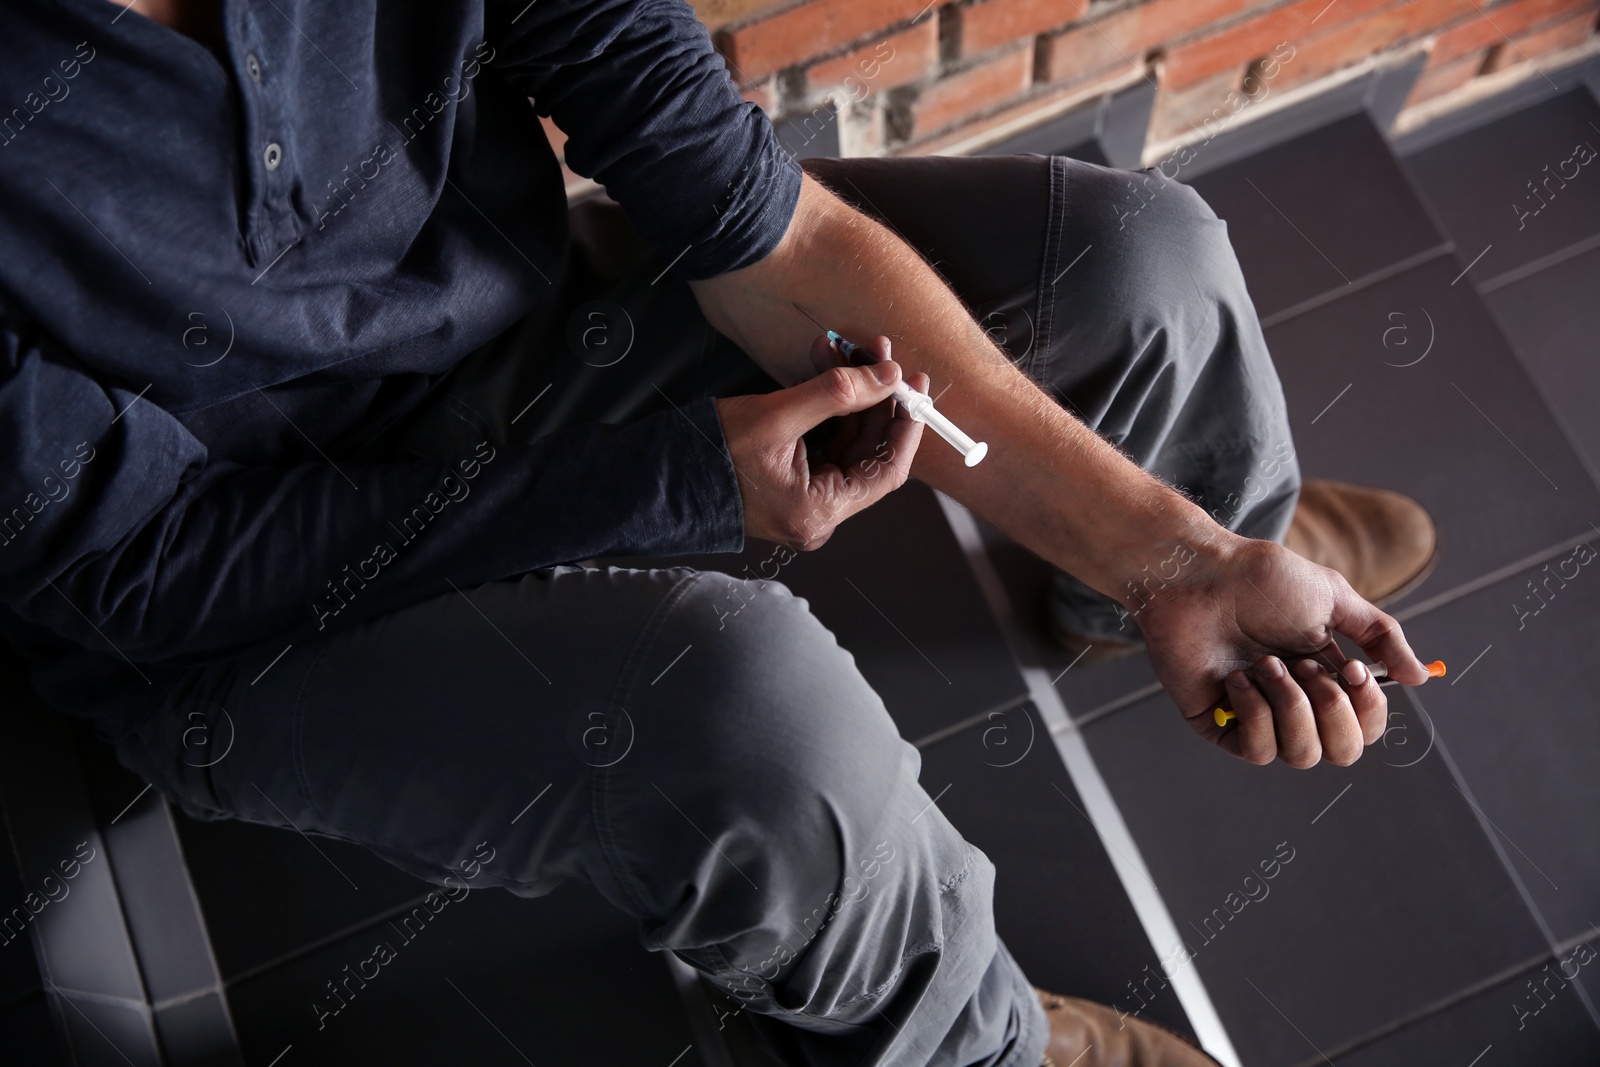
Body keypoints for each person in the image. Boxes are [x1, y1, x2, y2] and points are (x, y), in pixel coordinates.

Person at [0, 1, 1437, 1064]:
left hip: (523, 337)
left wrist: (1169, 547)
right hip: (238, 614)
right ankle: (976, 1045)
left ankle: (1177, 571)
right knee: (751, 712)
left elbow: (773, 234)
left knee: (1143, 263)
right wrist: (672, 476)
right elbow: (149, 564)